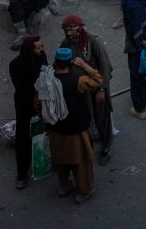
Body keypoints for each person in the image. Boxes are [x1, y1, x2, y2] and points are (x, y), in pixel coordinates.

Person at [42, 47, 103, 204]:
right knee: (80, 161)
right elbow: (98, 80)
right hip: (75, 130)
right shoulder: (79, 81)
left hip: (54, 128)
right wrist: (83, 65)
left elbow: (38, 103)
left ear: (55, 62)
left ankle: (64, 187)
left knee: (60, 159)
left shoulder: (46, 80)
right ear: (70, 63)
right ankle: (84, 190)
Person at [58, 15, 114, 165]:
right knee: (85, 118)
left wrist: (102, 89)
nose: (68, 32)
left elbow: (105, 66)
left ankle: (106, 147)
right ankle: (86, 146)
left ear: (79, 28)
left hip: (96, 89)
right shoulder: (65, 44)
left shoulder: (93, 42)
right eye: (66, 29)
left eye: (71, 29)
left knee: (102, 118)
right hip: (79, 91)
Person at [10, 35, 47, 189]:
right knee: (23, 137)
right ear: (29, 50)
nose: (42, 50)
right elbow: (22, 89)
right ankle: (22, 173)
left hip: (41, 103)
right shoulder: (16, 65)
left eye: (41, 46)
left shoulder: (41, 58)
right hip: (25, 106)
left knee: (45, 133)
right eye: (38, 47)